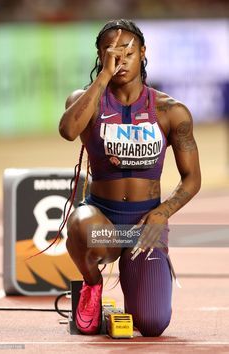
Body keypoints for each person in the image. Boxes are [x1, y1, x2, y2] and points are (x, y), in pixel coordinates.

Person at [59, 19, 201, 337]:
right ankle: (93, 286)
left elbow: (192, 179)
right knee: (81, 222)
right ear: (100, 55)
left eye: (129, 51)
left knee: (151, 324)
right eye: (112, 52)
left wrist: (162, 213)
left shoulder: (170, 111)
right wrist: (104, 77)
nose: (121, 59)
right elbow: (68, 131)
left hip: (145, 225)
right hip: (103, 221)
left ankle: (144, 277)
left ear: (144, 53)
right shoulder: (85, 101)